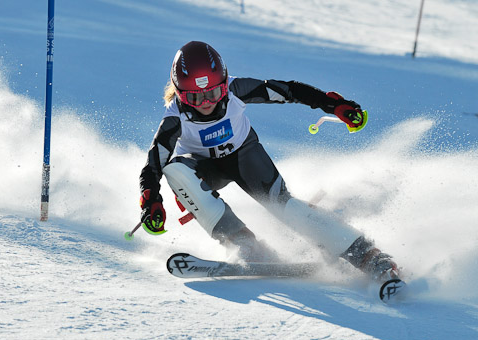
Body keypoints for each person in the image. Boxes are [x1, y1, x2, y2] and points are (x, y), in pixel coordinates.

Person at [138, 41, 400, 282]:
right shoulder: (174, 119)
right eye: (195, 97)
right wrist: (151, 202)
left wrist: (334, 105)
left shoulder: (236, 90)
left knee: (286, 207)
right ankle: (244, 243)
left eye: (214, 93)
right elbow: (153, 165)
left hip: (244, 157)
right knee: (175, 171)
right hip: (204, 170)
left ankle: (367, 255)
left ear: (225, 83)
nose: (206, 103)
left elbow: (289, 90)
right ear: (180, 94)